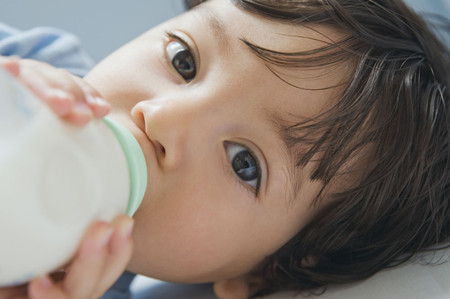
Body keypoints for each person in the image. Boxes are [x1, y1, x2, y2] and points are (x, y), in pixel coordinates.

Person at [1, 0, 449, 298]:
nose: (162, 118)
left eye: (244, 164)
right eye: (184, 61)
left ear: (259, 276)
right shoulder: (27, 62)